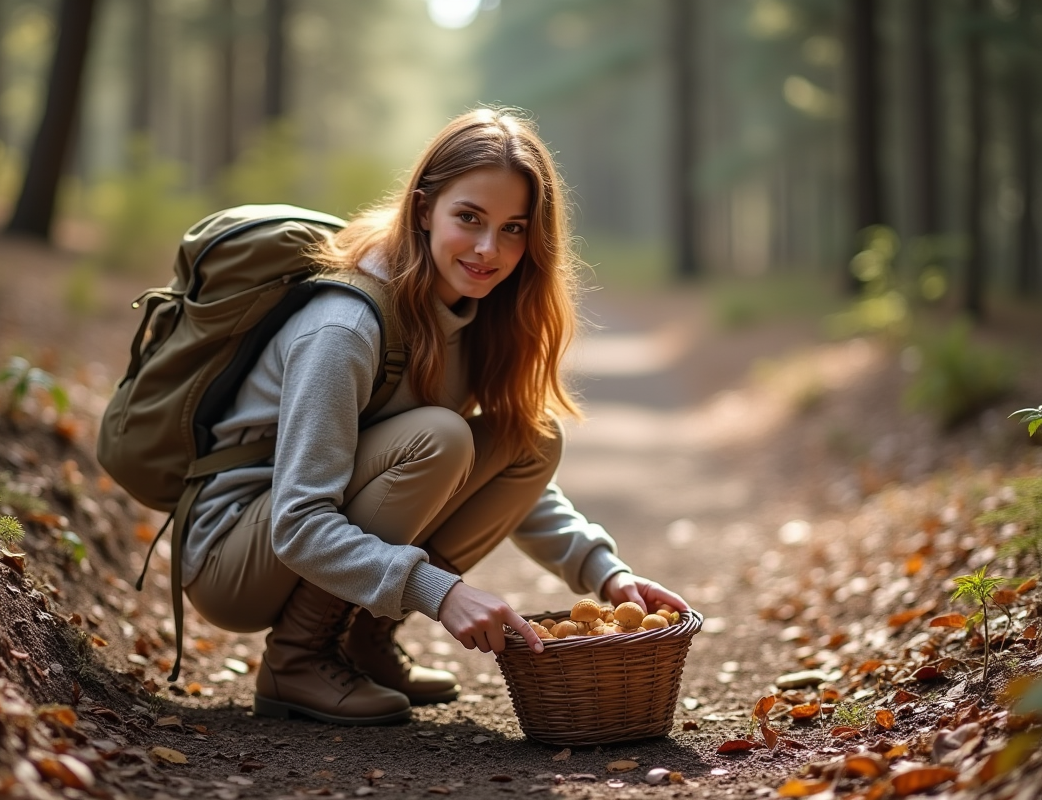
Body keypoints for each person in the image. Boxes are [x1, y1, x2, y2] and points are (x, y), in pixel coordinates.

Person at [180, 107, 688, 726]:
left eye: (513, 229)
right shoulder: (345, 328)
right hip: (236, 552)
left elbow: (511, 480)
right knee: (440, 439)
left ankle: (363, 641)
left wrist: (604, 573)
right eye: (469, 218)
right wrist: (439, 592)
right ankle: (296, 659)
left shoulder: (471, 314)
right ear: (423, 210)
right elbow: (299, 521)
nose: (487, 249)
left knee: (527, 435)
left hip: (301, 535)